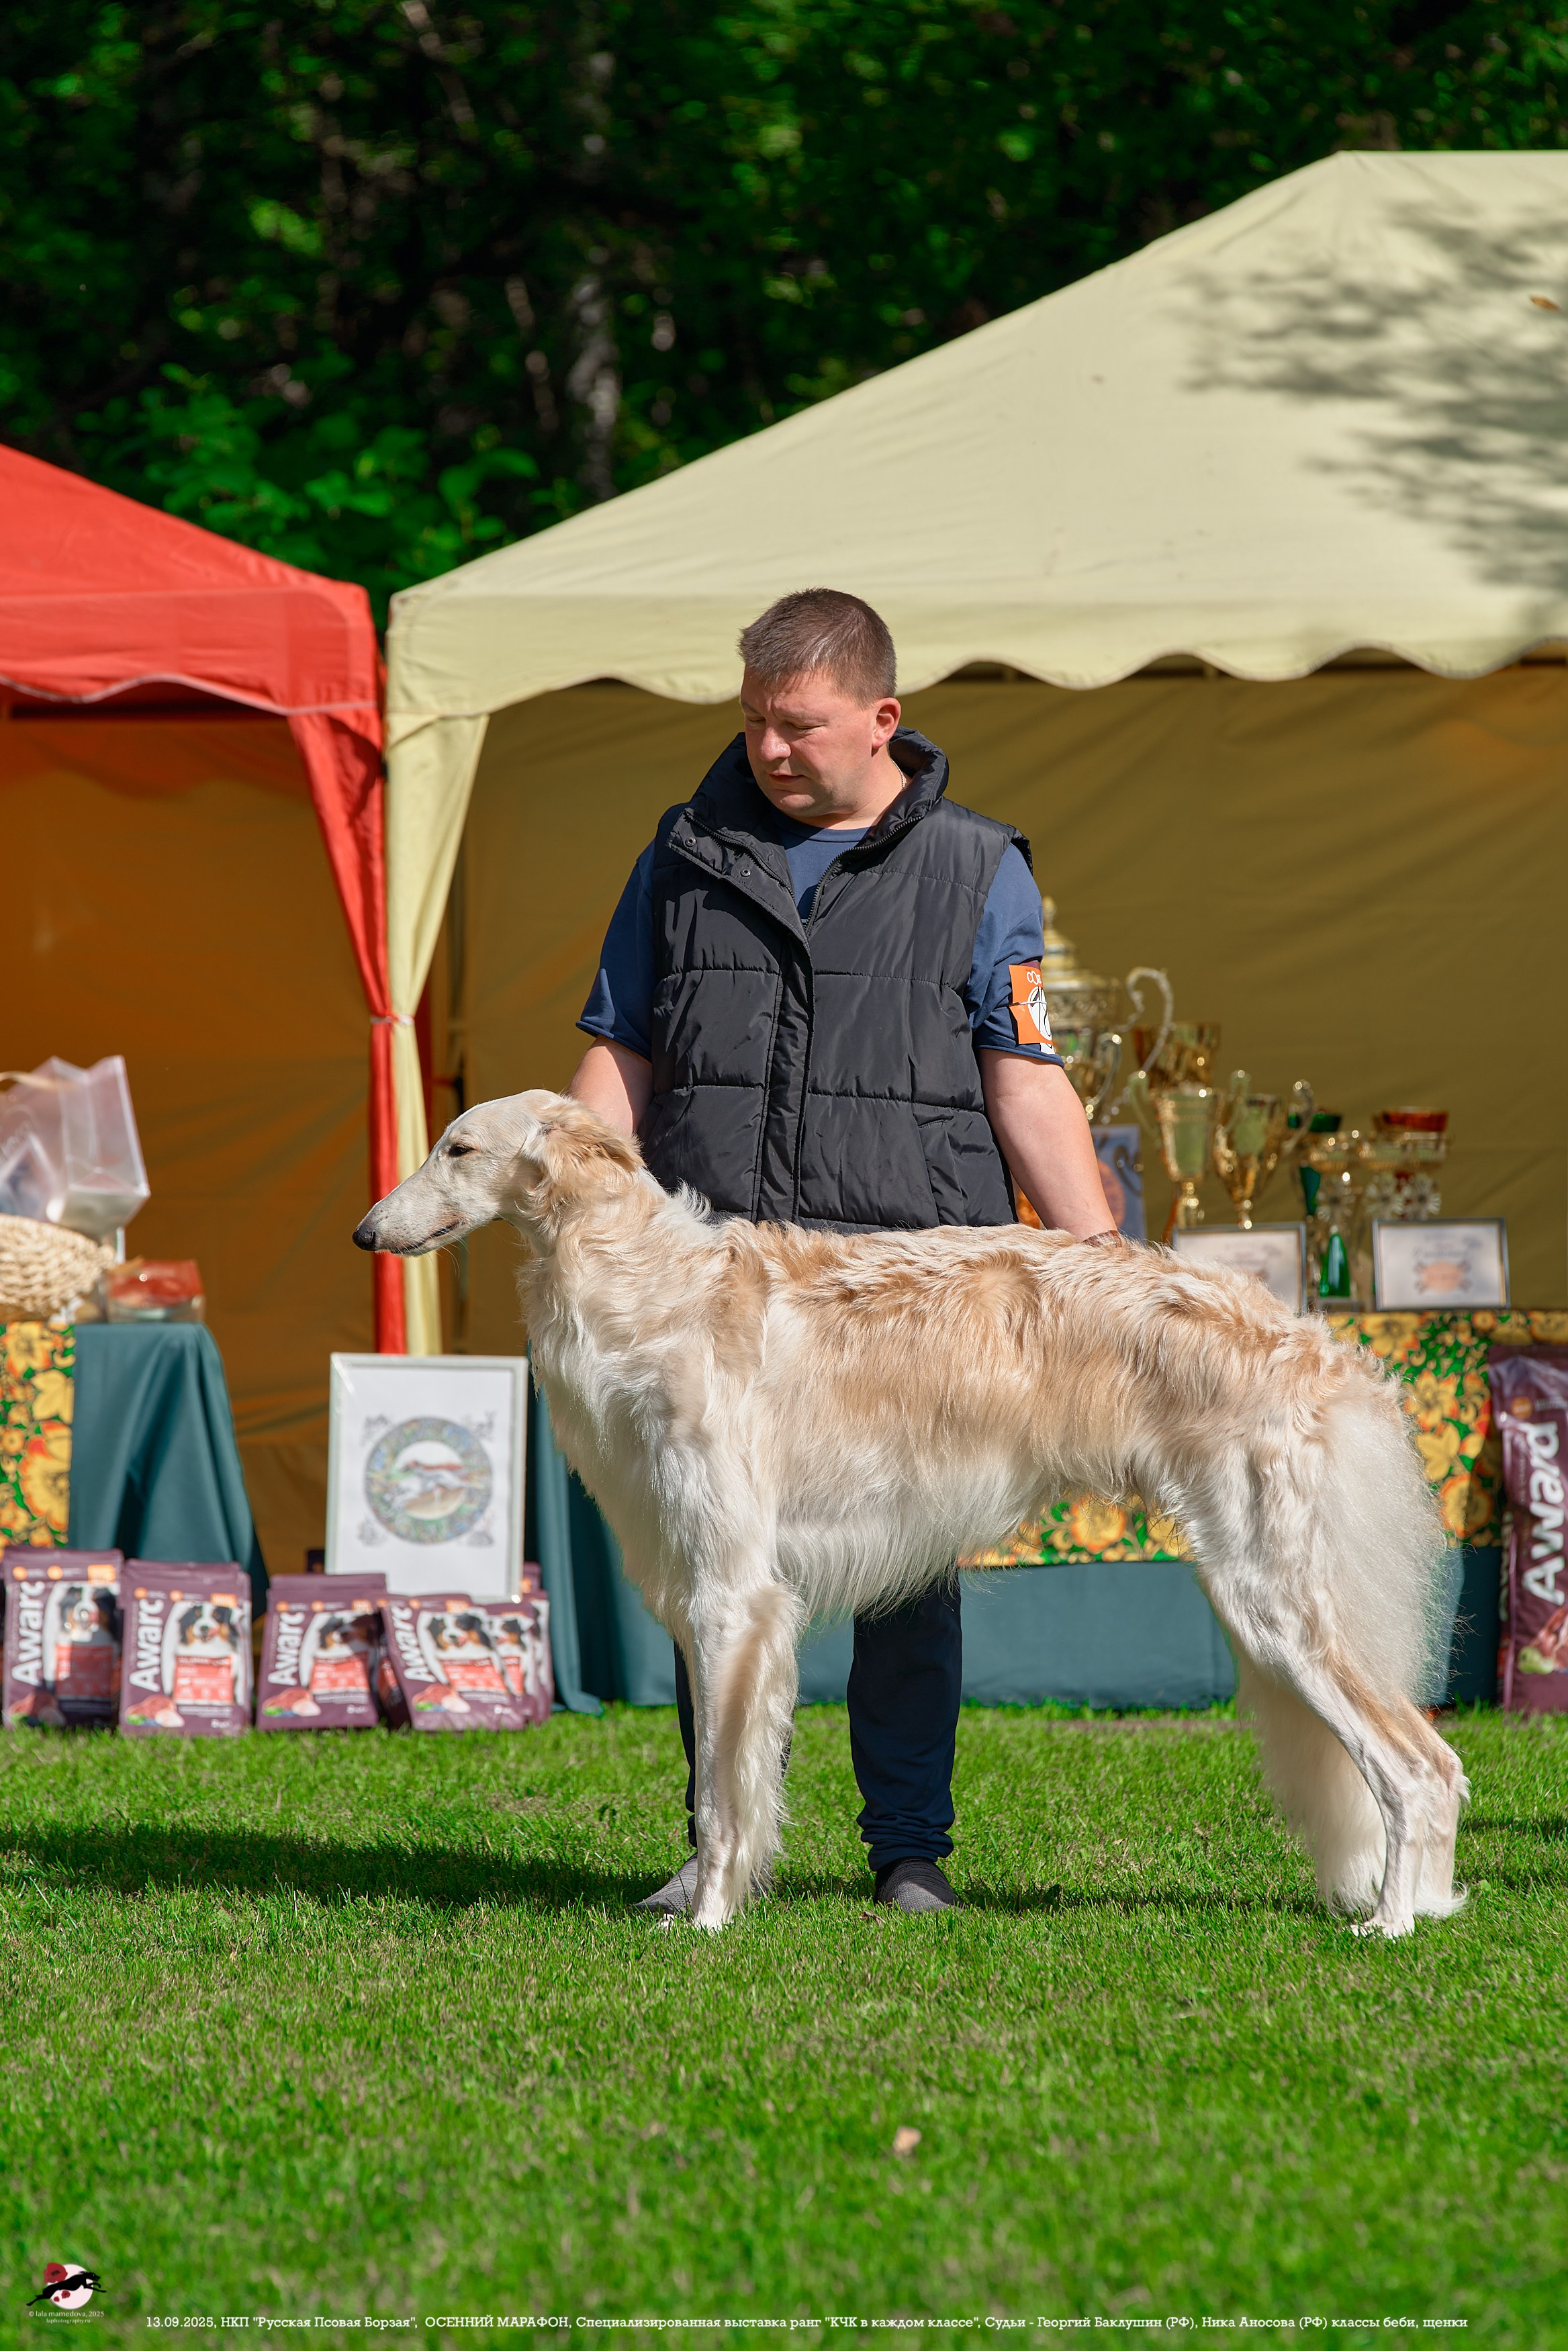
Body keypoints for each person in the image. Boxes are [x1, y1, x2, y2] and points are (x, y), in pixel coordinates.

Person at [569, 588, 1117, 1915]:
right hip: (725, 1298)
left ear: (882, 718)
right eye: (754, 720)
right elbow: (618, 1051)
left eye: (799, 725)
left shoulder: (981, 867)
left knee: (907, 1581)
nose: (769, 747)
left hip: (905, 1287)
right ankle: (720, 1845)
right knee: (718, 1569)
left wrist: (1102, 1259)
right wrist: (582, 1218)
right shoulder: (680, 853)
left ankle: (908, 1851)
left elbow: (1024, 1080)